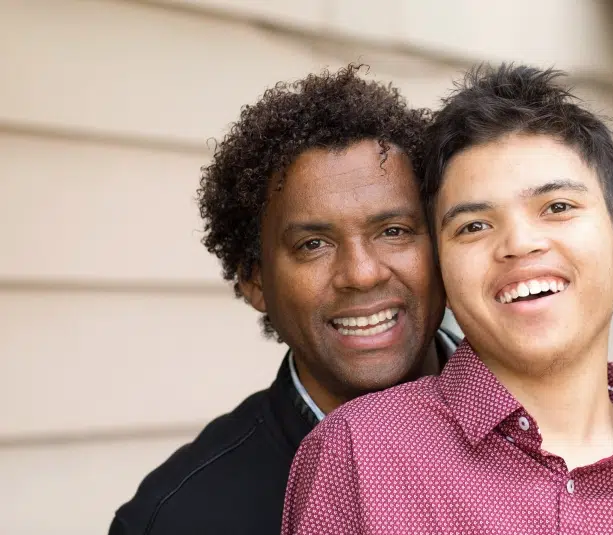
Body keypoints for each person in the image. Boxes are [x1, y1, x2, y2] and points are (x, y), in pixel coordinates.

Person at [281, 64, 613, 534]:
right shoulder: (359, 455)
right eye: (474, 225)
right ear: (442, 269)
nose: (519, 243)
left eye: (557, 207)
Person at [109, 65, 456, 535]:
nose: (361, 273)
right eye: (313, 244)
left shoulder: (555, 423)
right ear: (254, 281)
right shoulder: (180, 520)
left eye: (393, 231)